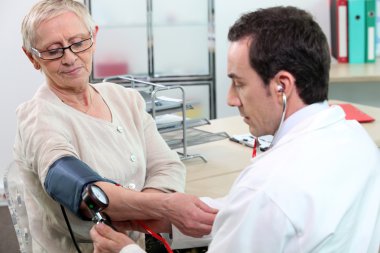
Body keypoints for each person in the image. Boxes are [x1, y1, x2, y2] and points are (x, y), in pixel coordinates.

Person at [89, 6, 380, 253]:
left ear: (282, 85)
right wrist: (168, 218)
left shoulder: (268, 189)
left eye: (239, 83)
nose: (230, 99)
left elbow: (261, 209)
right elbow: (255, 219)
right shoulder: (356, 140)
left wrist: (126, 250)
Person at [14, 0, 217, 252]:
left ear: (94, 37)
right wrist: (163, 206)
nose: (70, 58)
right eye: (53, 51)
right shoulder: (37, 118)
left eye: (78, 43)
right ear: (32, 56)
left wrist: (136, 215)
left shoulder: (124, 99)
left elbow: (166, 165)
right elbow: (81, 189)